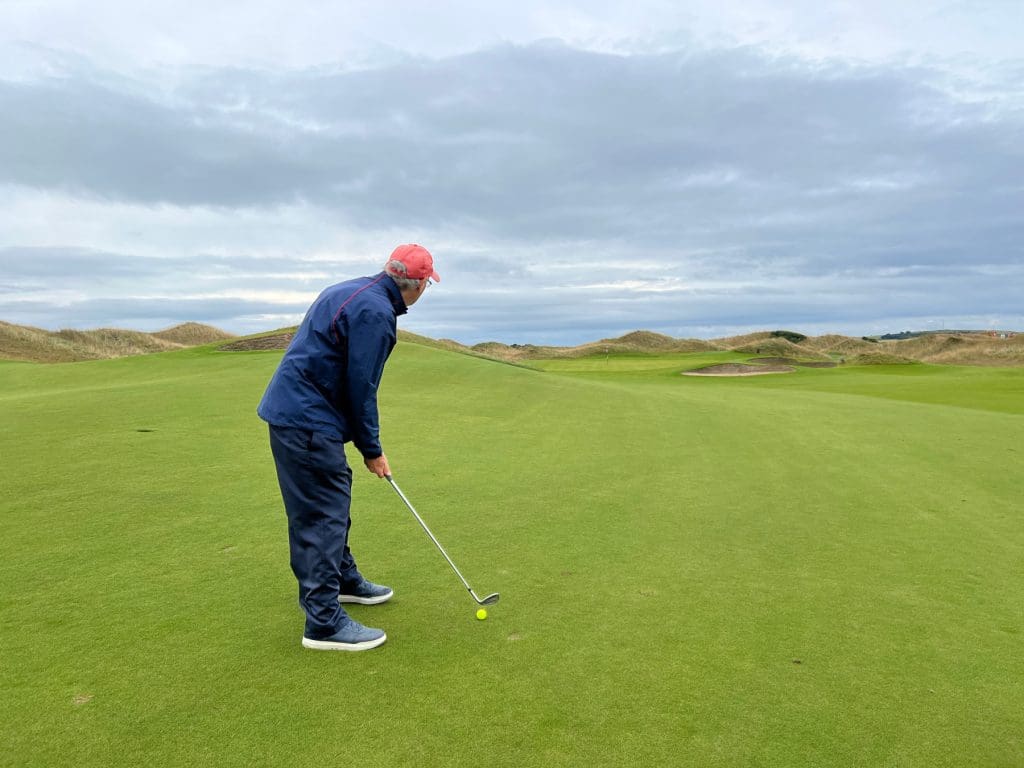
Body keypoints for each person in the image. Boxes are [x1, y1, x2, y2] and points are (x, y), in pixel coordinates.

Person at [257, 244, 439, 651]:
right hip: (306, 421)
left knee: (327, 506)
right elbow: (362, 388)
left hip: (296, 413)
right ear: (420, 284)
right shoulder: (376, 313)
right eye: (428, 282)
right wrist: (371, 449)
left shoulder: (347, 290)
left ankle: (342, 580)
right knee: (323, 513)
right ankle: (322, 622)